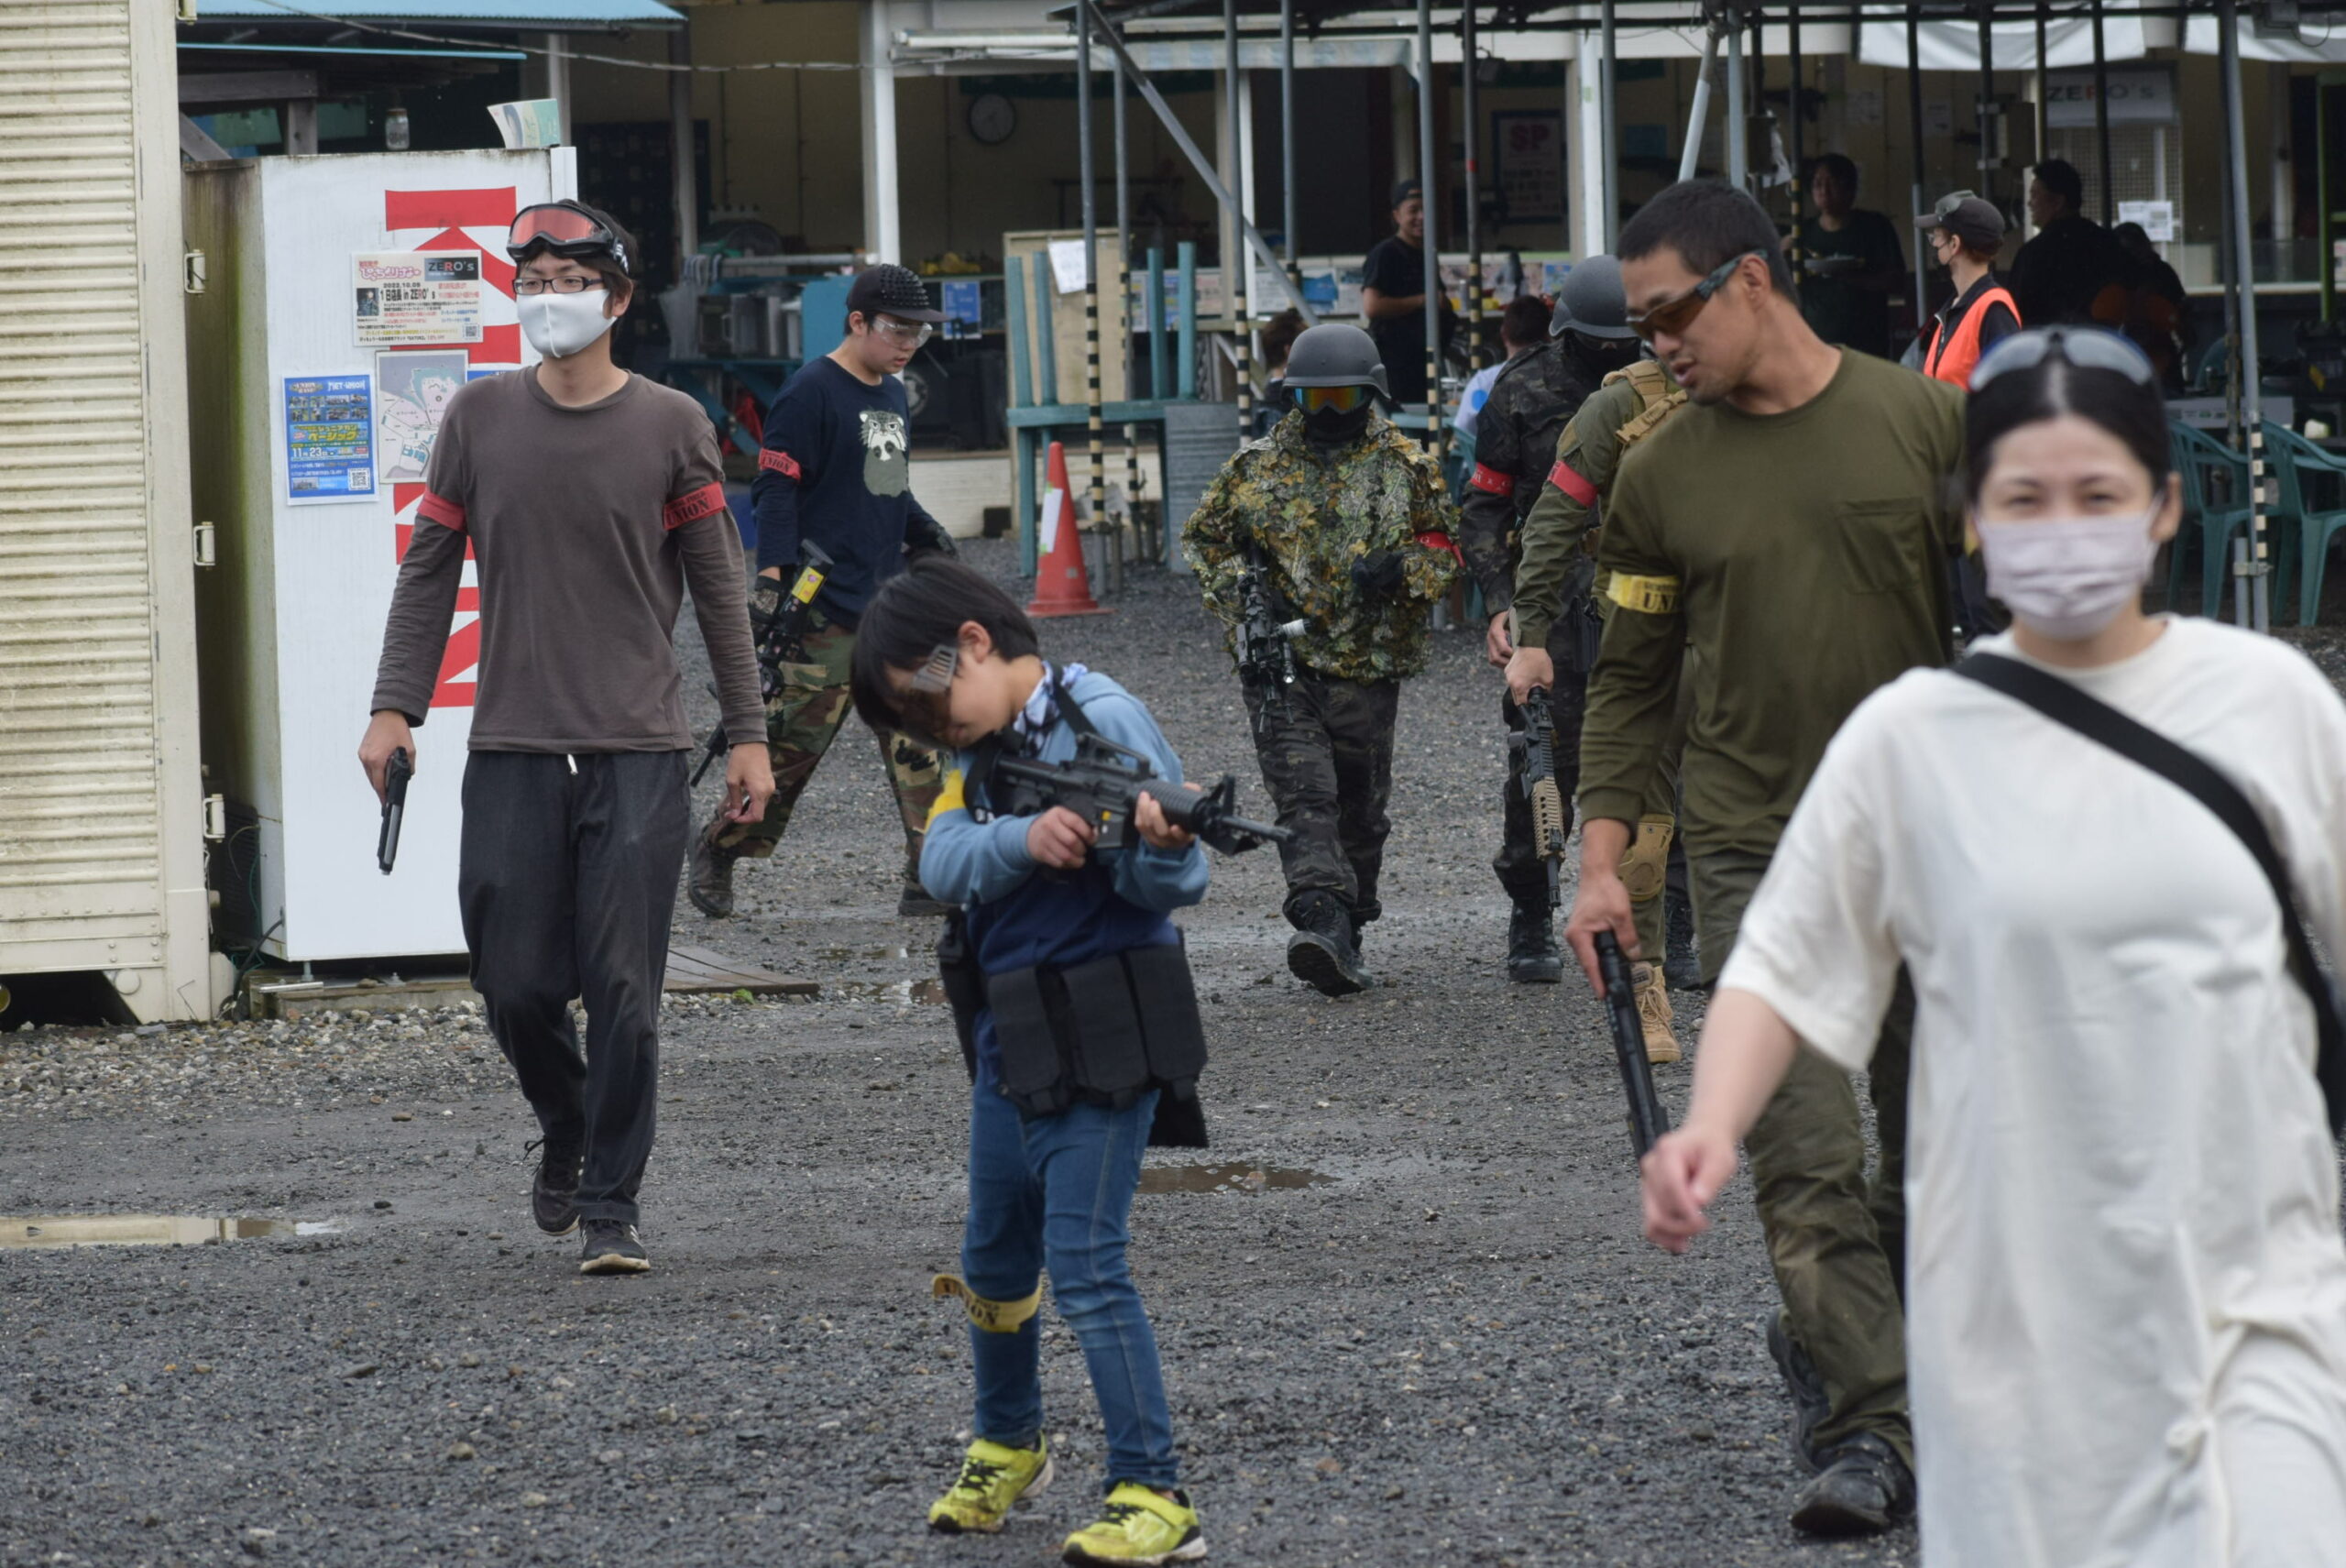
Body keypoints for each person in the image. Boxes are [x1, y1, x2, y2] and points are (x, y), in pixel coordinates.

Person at [1643, 325, 2346, 1566]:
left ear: (2163, 507)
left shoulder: (2268, 702)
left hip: (2256, 1287)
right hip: (2013, 1326)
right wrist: (1707, 1122)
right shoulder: (1912, 738)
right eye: (2024, 497)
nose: (2062, 526)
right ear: (1972, 516)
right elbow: (1784, 963)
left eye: (2098, 494)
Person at [1565, 180, 1968, 1534]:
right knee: (1801, 1150)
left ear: (1750, 279)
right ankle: (1872, 1426)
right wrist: (1600, 862)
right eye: (1639, 325)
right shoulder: (1658, 472)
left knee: (1934, 1146)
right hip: (1755, 853)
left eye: (1669, 315)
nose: (1655, 345)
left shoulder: (1924, 424)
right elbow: (1630, 683)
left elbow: (2015, 629)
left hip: (1926, 846)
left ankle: (1848, 1344)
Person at [359, 200, 774, 1276]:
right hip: (513, 745)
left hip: (639, 748)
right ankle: (568, 1119)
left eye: (572, 280)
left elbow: (720, 592)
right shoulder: (476, 420)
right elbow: (428, 573)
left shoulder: (672, 424)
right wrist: (394, 706)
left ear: (619, 299)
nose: (551, 299)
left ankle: (610, 1206)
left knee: (626, 990)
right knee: (514, 983)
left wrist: (748, 733)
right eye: (533, 281)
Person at [849, 558, 1211, 1567]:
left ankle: (1155, 1493)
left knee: (1087, 1263)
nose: (931, 730)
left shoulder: (1104, 718)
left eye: (927, 704)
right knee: (994, 1260)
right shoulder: (984, 749)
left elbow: (1177, 880)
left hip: (1106, 1032)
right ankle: (1010, 1443)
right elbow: (941, 859)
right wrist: (1022, 838)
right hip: (1012, 1033)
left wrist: (1156, 844)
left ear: (971, 643)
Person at [1184, 323, 1460, 997]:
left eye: (1344, 397)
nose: (1330, 413)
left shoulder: (1407, 467)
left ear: (1371, 395)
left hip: (1369, 666)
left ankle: (1348, 926)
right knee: (1306, 797)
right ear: (1292, 399)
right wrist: (1246, 594)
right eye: (1315, 399)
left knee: (1361, 812)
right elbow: (1204, 542)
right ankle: (1320, 916)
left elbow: (1447, 552)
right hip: (1283, 665)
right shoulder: (1254, 470)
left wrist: (1403, 569)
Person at [686, 263, 959, 922]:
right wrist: (771, 578)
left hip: (889, 606)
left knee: (922, 741)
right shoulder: (809, 391)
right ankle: (719, 846)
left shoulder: (891, 394)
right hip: (822, 607)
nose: (908, 345)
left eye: (919, 334)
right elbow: (776, 488)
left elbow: (888, 484)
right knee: (786, 755)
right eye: (897, 330)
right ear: (857, 322)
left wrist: (926, 534)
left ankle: (932, 874)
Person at [1507, 336, 1700, 1055]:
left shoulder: (1774, 390)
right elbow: (1555, 518)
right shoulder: (1619, 404)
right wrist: (1530, 635)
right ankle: (1645, 986)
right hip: (1646, 630)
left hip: (1748, 629)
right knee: (1645, 825)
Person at [1461, 268, 1642, 988]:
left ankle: (1670, 914)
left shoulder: (1665, 378)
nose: (1614, 354)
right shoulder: (1521, 388)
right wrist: (1499, 603)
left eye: (1625, 343)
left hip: (1641, 593)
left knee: (1661, 755)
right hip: (1549, 605)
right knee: (1541, 760)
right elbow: (1485, 506)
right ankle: (1533, 909)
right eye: (1600, 343)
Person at [1793, 154, 1906, 360]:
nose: (1824, 191)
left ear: (1850, 189)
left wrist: (1851, 277)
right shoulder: (1802, 233)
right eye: (1818, 184)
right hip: (1816, 344)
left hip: (1867, 344)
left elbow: (1897, 281)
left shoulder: (1874, 226)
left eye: (1832, 183)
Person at [1361, 178, 1458, 409]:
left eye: (1426, 210)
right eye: (1413, 210)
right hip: (1394, 365)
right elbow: (1372, 306)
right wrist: (1423, 300)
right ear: (1397, 216)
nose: (1421, 217)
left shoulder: (1427, 254)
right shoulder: (1385, 253)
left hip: (1425, 362)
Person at [1913, 191, 2020, 389]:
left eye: (1936, 237)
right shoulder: (1954, 308)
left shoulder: (1993, 309)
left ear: (1954, 244)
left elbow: (2010, 391)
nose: (1934, 244)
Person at [2011, 159, 2126, 328]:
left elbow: (2016, 312)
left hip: (2045, 341)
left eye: (2035, 195)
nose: (2029, 203)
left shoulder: (2033, 253)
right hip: (2102, 341)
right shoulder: (2107, 243)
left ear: (2058, 202)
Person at [1453, 295, 1549, 442]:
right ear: (1548, 337)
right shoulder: (1563, 380)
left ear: (1504, 334)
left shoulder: (1483, 384)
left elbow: (1463, 431)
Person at [2112, 220, 2189, 389]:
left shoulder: (2161, 273)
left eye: (2136, 249)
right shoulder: (2116, 278)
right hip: (2127, 353)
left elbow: (2182, 318)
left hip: (2159, 353)